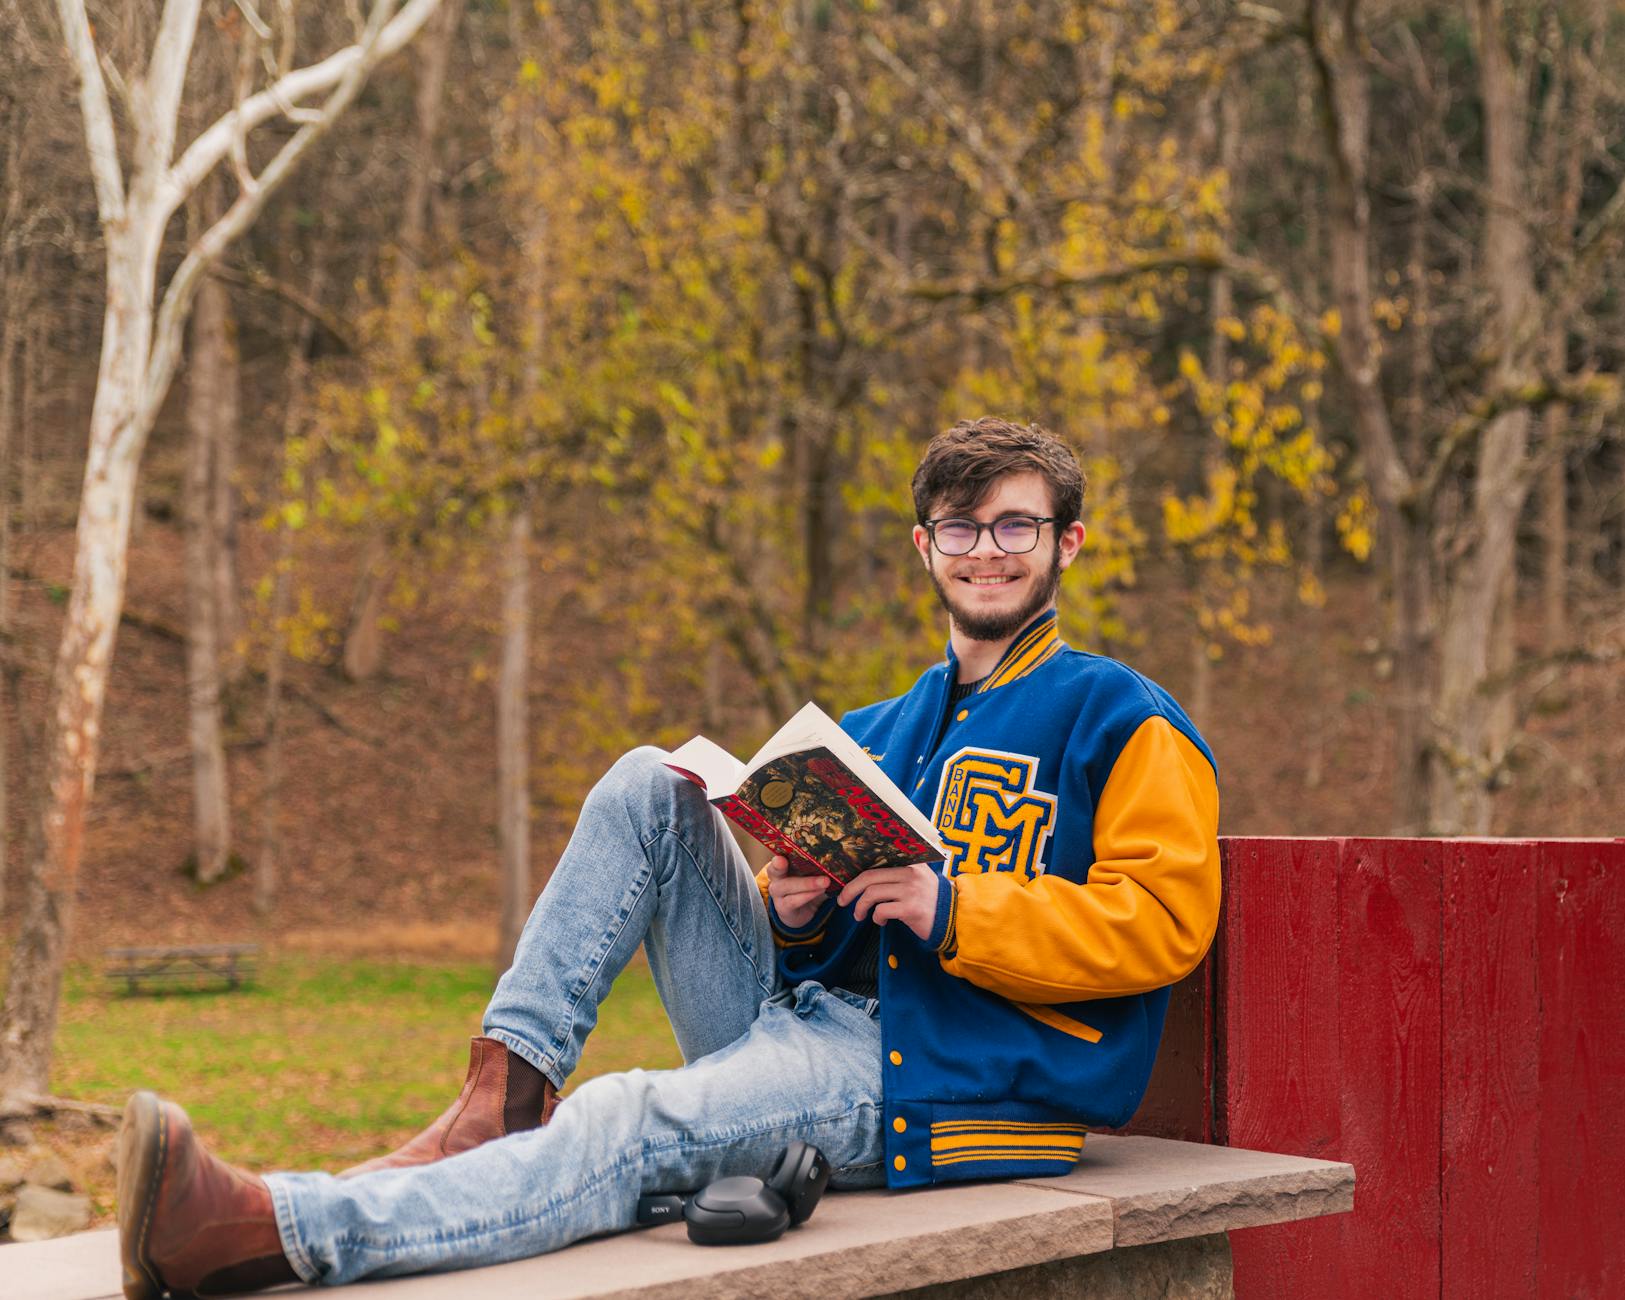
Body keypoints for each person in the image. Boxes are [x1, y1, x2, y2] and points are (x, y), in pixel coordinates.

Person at [116, 417, 1220, 1298]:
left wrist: (954, 909)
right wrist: (793, 910)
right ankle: (503, 1087)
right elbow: (822, 946)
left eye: (1014, 526)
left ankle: (271, 1234)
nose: (987, 552)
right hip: (807, 1025)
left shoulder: (1122, 718)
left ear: (1065, 542)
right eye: (961, 527)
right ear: (923, 546)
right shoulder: (883, 724)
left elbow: (1164, 924)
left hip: (932, 1086)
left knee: (626, 1115)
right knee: (651, 779)